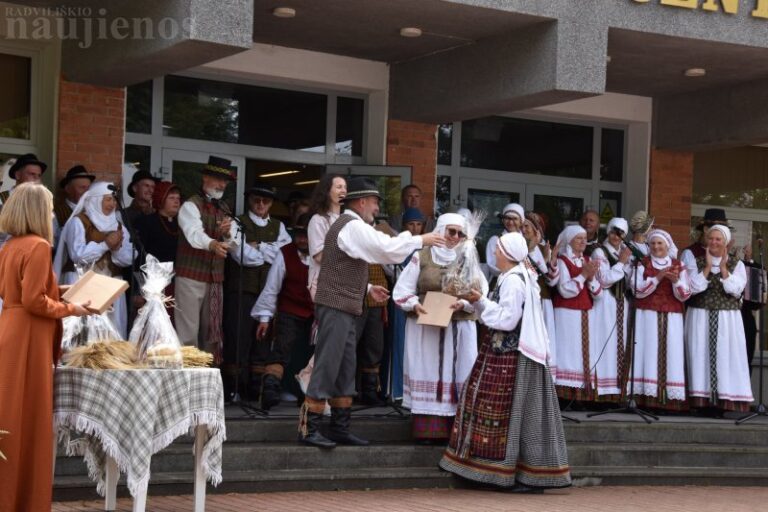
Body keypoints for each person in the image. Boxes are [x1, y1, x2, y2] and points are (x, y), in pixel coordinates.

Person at [299, 177, 444, 448]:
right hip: (335, 305)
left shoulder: (351, 226)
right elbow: (385, 248)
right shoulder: (352, 225)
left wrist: (367, 289)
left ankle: (340, 426)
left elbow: (345, 265)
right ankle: (309, 428)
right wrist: (420, 239)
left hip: (346, 304)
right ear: (362, 201)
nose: (377, 208)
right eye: (375, 202)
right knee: (328, 364)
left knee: (344, 367)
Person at [440, 232, 571, 493]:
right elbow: (497, 310)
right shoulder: (512, 276)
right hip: (503, 352)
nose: (495, 253)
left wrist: (479, 302)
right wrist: (469, 303)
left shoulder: (514, 281)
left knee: (510, 414)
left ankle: (510, 473)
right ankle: (489, 470)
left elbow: (507, 320)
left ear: (507, 254)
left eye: (499, 249)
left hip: (511, 355)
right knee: (503, 411)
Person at [0, 183, 93, 511]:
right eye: (50, 208)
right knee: (30, 421)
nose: (53, 215)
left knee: (10, 417)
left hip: (11, 332)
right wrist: (74, 308)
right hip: (29, 338)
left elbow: (28, 293)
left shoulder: (11, 245)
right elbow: (35, 301)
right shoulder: (38, 246)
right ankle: (25, 501)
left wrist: (69, 292)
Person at [393, 213, 487, 443]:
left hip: (459, 327)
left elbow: (482, 291)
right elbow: (401, 290)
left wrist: (464, 302)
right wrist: (415, 304)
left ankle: (456, 432)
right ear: (440, 230)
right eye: (450, 231)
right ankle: (428, 430)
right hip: (426, 328)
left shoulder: (468, 257)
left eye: (460, 233)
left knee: (458, 371)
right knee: (428, 371)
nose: (455, 237)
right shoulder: (421, 255)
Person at [224, 182, 291, 402]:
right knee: (239, 337)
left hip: (267, 292)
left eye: (266, 201)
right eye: (256, 200)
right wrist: (267, 251)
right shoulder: (236, 223)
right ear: (249, 201)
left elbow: (283, 255)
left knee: (262, 340)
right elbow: (242, 256)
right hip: (241, 290)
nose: (261, 204)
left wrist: (259, 245)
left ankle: (256, 389)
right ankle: (235, 388)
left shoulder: (279, 226)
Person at [685, 224, 754, 413]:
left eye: (718, 239)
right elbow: (692, 288)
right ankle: (702, 402)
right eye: (711, 238)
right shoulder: (695, 262)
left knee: (725, 357)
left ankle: (722, 403)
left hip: (727, 320)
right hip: (700, 317)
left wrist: (723, 268)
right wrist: (708, 267)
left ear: (725, 243)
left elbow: (736, 289)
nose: (714, 242)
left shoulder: (736, 264)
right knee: (700, 355)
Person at [54, 181, 135, 337]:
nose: (112, 204)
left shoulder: (118, 226)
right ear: (96, 200)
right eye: (108, 199)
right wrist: (105, 244)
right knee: (81, 333)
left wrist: (116, 250)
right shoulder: (78, 222)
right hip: (82, 282)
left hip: (110, 284)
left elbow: (127, 259)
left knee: (111, 332)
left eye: (114, 199)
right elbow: (77, 255)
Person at [251, 212, 315, 409]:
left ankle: (307, 397)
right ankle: (269, 392)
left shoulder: (322, 255)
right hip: (289, 310)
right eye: (298, 235)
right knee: (281, 349)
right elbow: (272, 288)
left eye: (306, 235)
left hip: (315, 314)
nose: (301, 240)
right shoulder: (285, 253)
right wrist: (265, 318)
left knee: (310, 354)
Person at [175, 156, 235, 361]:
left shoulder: (225, 209)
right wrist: (212, 244)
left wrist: (227, 235)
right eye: (218, 179)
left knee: (212, 335)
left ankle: (208, 382)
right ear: (205, 178)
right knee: (188, 333)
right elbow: (193, 234)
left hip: (215, 279)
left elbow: (234, 244)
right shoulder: (190, 205)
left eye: (225, 181)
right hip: (190, 277)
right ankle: (186, 381)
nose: (222, 184)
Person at [628, 229, 691, 410]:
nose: (656, 247)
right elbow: (637, 290)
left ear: (667, 245)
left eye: (660, 243)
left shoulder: (678, 265)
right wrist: (658, 277)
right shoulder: (642, 263)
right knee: (647, 352)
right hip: (646, 315)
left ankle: (669, 400)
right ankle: (645, 398)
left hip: (672, 316)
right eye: (653, 243)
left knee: (671, 353)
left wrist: (675, 281)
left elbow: (685, 294)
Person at [295, 174, 347, 394]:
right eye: (338, 186)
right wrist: (348, 253)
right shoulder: (318, 220)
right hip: (323, 284)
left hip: (343, 285)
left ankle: (318, 383)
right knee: (330, 336)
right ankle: (310, 377)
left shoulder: (348, 220)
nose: (343, 190)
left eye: (345, 187)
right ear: (327, 191)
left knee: (337, 339)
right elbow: (318, 255)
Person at [552, 225, 602, 403]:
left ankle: (580, 397)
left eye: (584, 238)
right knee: (568, 352)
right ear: (569, 241)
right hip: (566, 313)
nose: (583, 241)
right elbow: (565, 290)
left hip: (586, 313)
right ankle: (565, 396)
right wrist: (583, 276)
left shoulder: (587, 260)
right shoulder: (562, 261)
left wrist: (589, 279)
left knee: (584, 353)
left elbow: (598, 294)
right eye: (578, 238)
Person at [590, 217, 632, 400]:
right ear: (608, 232)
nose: (617, 236)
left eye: (621, 233)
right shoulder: (600, 251)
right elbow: (604, 279)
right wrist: (622, 263)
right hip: (606, 303)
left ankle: (617, 392)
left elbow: (630, 281)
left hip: (621, 303)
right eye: (614, 232)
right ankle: (601, 392)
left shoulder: (625, 251)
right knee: (604, 344)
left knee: (619, 345)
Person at [387, 207, 426, 401]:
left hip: (419, 303)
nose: (415, 228)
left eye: (419, 224)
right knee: (399, 343)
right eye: (411, 224)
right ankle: (396, 390)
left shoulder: (426, 248)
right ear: (404, 226)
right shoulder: (399, 244)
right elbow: (388, 266)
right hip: (401, 301)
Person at [522, 211, 560, 381]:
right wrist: (543, 260)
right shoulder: (521, 247)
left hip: (542, 301)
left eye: (527, 227)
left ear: (537, 230)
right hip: (528, 300)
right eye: (522, 226)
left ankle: (543, 380)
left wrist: (549, 260)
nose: (523, 230)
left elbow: (551, 280)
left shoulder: (543, 247)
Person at [134, 181, 181, 265]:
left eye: (178, 198)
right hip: (152, 273)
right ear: (161, 199)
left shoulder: (181, 223)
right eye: (171, 198)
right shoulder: (146, 222)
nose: (176, 202)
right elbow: (138, 254)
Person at [53, 165, 95, 248]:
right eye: (82, 188)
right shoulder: (56, 213)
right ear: (68, 189)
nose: (87, 193)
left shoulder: (95, 210)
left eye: (88, 188)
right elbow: (53, 244)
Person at [486, 202, 524, 280]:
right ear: (503, 220)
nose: (510, 222)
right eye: (507, 218)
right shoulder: (495, 240)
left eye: (515, 219)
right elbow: (493, 267)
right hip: (501, 283)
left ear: (521, 221)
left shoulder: (526, 241)